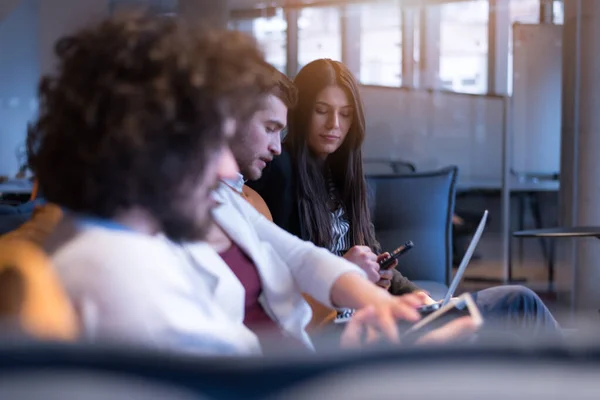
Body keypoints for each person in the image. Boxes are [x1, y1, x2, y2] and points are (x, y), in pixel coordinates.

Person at [30, 15, 475, 356]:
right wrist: (378, 362)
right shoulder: (112, 274)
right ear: (141, 137)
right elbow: (240, 375)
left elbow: (296, 255)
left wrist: (375, 303)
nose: (229, 172)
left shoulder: (187, 209)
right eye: (211, 142)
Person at [247, 58, 562, 339]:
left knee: (510, 311)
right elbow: (283, 281)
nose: (335, 126)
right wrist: (346, 272)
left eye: (345, 115)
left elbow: (371, 253)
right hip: (339, 328)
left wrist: (414, 293)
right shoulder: (279, 171)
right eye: (322, 111)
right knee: (518, 303)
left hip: (367, 314)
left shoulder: (342, 176)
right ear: (301, 113)